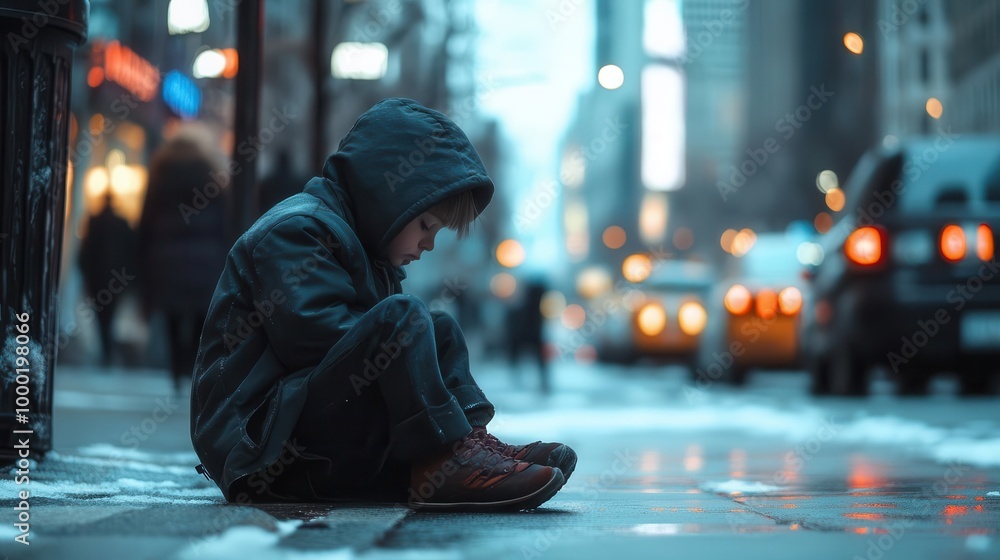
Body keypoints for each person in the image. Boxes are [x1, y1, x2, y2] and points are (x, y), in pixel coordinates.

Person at [190, 98, 576, 512]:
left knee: (437, 326)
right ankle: (444, 461)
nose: (429, 243)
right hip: (261, 446)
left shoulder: (365, 250)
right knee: (404, 320)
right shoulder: (297, 230)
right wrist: (399, 340)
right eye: (426, 225)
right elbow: (312, 341)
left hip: (302, 428)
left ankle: (465, 444)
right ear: (389, 199)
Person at [138, 136, 230, 394]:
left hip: (167, 264)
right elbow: (224, 225)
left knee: (172, 320)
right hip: (205, 263)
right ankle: (192, 368)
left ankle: (176, 371)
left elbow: (145, 226)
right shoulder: (213, 177)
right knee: (202, 321)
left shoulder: (159, 177)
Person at [77, 191, 137, 367]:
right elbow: (131, 252)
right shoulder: (122, 223)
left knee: (102, 316)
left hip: (98, 278)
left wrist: (86, 274)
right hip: (117, 278)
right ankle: (107, 352)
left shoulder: (95, 222)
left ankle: (106, 352)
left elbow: (85, 252)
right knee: (110, 315)